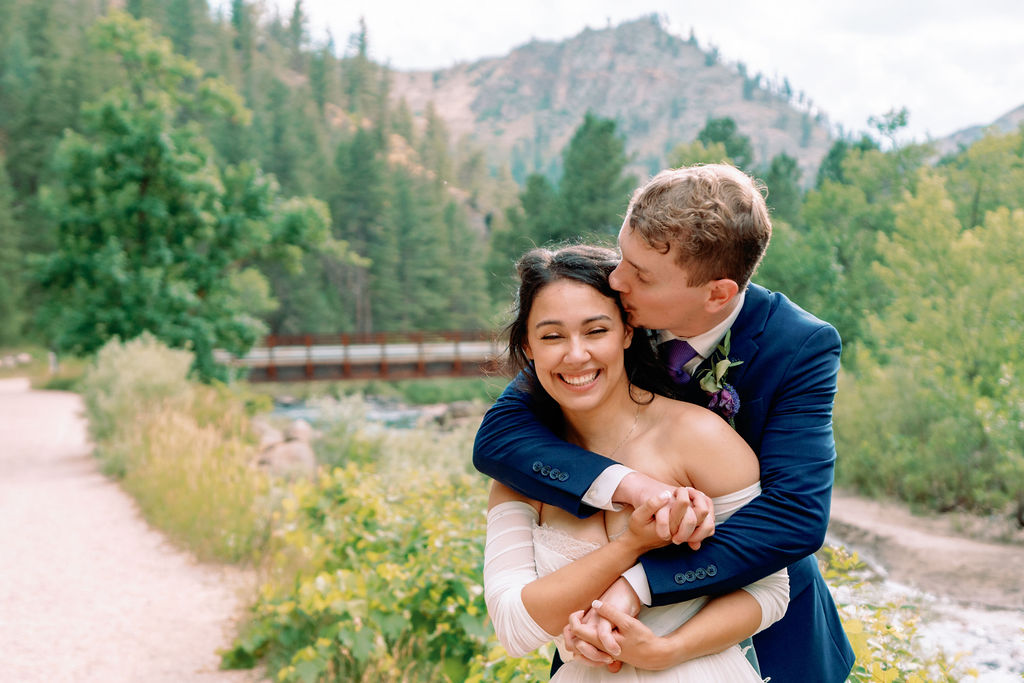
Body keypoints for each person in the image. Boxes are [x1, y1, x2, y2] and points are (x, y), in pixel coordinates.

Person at [474, 164, 855, 682]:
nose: (615, 277)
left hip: (758, 632)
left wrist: (638, 584)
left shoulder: (798, 346)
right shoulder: (608, 313)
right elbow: (499, 436)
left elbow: (793, 516)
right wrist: (633, 487)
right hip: (600, 641)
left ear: (717, 293)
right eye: (623, 255)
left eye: (640, 274)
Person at [484, 244, 790, 681]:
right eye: (552, 336)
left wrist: (666, 649)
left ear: (627, 332)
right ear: (528, 348)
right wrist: (632, 545)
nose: (575, 355)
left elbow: (770, 590)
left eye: (595, 331)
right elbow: (514, 627)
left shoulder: (697, 437)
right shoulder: (520, 471)